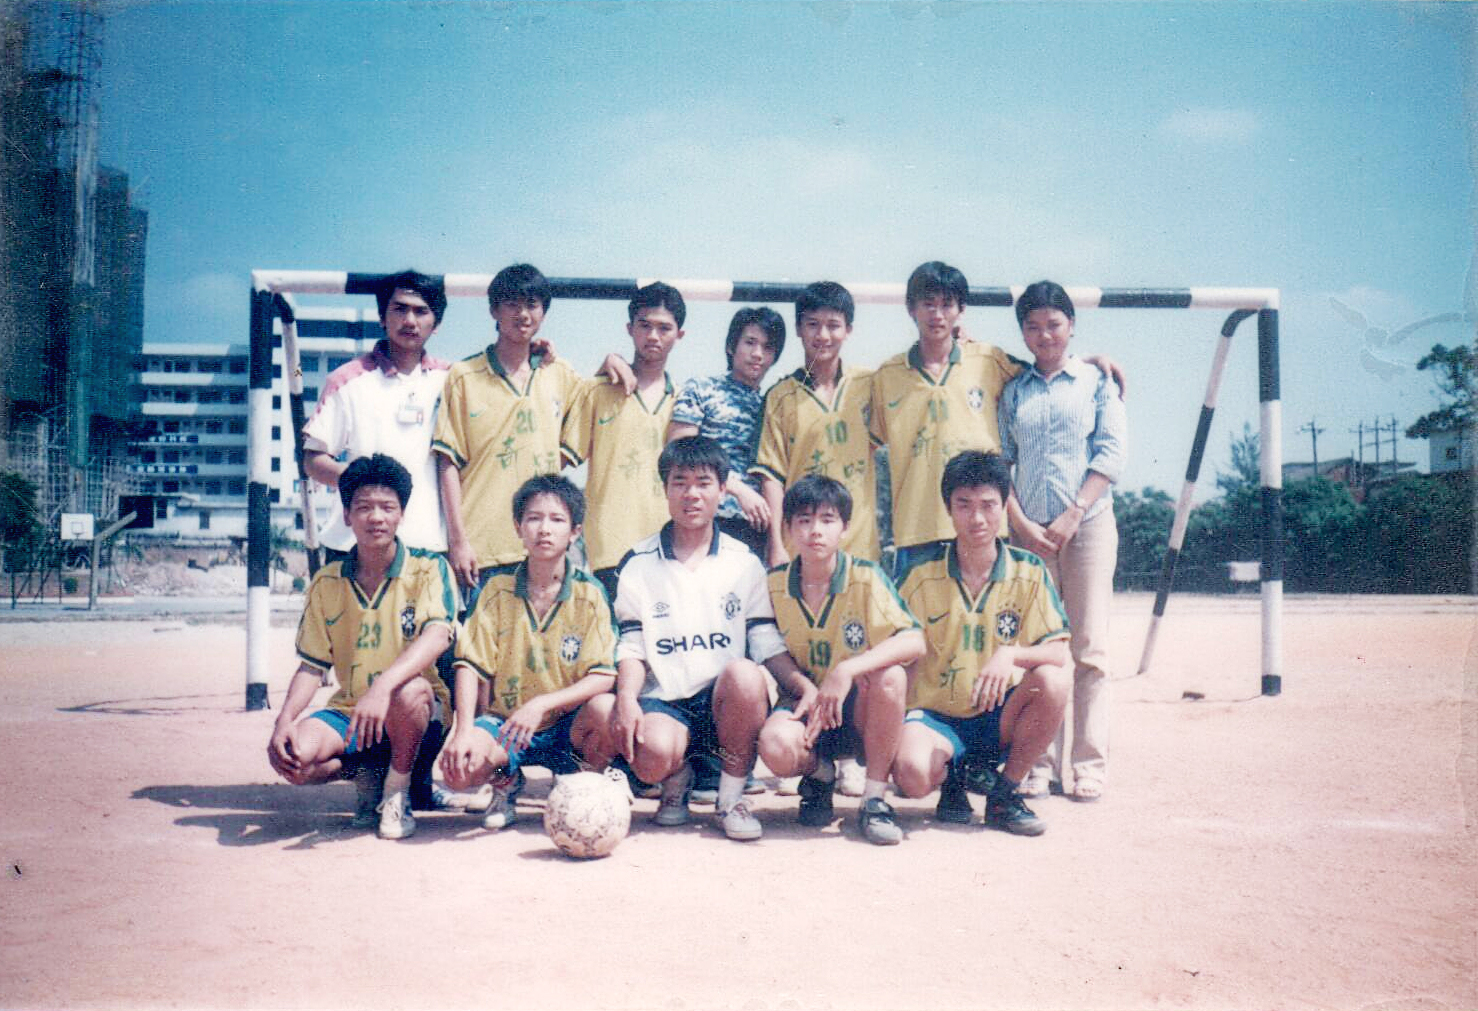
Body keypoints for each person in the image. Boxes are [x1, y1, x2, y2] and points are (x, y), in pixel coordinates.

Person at [582, 436, 812, 841]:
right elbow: (632, 647)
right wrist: (628, 698)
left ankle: (730, 800)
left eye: (703, 483)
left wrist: (801, 686)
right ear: (665, 489)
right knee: (650, 757)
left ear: (723, 490)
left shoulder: (744, 562)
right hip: (665, 702)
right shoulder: (637, 563)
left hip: (724, 704)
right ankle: (677, 777)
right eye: (680, 482)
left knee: (745, 674)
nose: (691, 494)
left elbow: (765, 643)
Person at [870, 262, 1124, 578]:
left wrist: (1087, 362)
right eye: (928, 304)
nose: (937, 314)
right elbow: (866, 443)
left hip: (984, 529)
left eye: (947, 304)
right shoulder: (886, 376)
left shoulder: (989, 360)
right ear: (911, 308)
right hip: (916, 532)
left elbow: (1046, 369)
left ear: (961, 310)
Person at [266, 454, 456, 840]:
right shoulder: (326, 581)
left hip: (416, 711)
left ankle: (395, 792)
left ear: (402, 514)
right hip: (351, 712)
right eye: (364, 507)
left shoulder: (428, 568)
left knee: (410, 692)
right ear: (347, 516)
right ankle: (364, 772)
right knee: (295, 759)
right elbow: (312, 665)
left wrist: (382, 687)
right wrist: (284, 720)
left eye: (387, 507)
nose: (376, 517)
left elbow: (438, 635)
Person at [892, 450, 1071, 836]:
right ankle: (953, 779)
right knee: (911, 775)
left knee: (1053, 680)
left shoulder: (1028, 570)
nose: (977, 518)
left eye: (988, 505)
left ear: (1004, 507)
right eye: (964, 505)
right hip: (936, 716)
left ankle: (1004, 795)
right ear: (948, 509)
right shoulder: (920, 575)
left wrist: (1011, 654)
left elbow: (1057, 650)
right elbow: (887, 644)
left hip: (998, 716)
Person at [998, 281, 1127, 802]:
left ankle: (1089, 764)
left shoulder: (1097, 382)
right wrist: (1023, 526)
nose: (1044, 335)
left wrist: (1074, 513)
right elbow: (1002, 463)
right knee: (1039, 652)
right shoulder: (1014, 391)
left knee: (1089, 648)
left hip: (1087, 525)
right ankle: (1038, 763)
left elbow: (1111, 453)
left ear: (1071, 326)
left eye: (1053, 324)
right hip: (1030, 533)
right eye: (1032, 326)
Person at [438, 474, 618, 830]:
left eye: (557, 519)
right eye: (534, 518)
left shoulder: (590, 593)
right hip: (508, 723)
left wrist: (540, 705)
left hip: (566, 724)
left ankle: (578, 780)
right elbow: (469, 665)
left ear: (575, 532)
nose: (544, 529)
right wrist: (463, 730)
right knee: (459, 772)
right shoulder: (496, 589)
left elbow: (603, 675)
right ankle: (506, 782)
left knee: (606, 709)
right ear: (518, 527)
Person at [756, 475, 923, 845]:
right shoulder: (774, 584)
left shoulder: (864, 577)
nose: (815, 530)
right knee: (775, 746)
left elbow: (913, 639)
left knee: (891, 677)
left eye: (827, 519)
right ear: (788, 528)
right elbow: (768, 650)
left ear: (845, 527)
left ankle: (874, 800)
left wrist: (847, 670)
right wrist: (806, 687)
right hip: (805, 706)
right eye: (804, 520)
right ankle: (820, 775)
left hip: (857, 707)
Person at [434, 263, 583, 595]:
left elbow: (589, 416)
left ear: (543, 312)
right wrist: (458, 541)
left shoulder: (560, 374)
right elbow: (447, 462)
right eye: (512, 304)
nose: (523, 314)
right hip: (482, 549)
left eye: (532, 304)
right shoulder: (464, 376)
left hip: (543, 547)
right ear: (494, 310)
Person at [302, 269, 451, 557]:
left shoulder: (452, 379)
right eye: (400, 309)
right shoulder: (346, 380)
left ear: (437, 323)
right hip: (352, 544)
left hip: (427, 543)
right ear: (382, 317)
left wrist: (537, 355)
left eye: (421, 311)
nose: (410, 320)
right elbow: (313, 460)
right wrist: (366, 485)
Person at [560, 282, 685, 601]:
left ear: (679, 335)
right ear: (630, 329)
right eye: (644, 325)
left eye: (664, 328)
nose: (653, 336)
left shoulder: (685, 403)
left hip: (667, 546)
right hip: (609, 547)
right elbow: (559, 460)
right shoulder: (598, 391)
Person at [753, 281, 880, 567]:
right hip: (800, 549)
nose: (822, 335)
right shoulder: (780, 396)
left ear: (848, 330)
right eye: (812, 324)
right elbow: (771, 478)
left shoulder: (870, 384)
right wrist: (776, 546)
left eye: (833, 325)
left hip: (860, 549)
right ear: (798, 328)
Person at [667, 306, 786, 560]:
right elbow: (678, 453)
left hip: (756, 529)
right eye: (750, 343)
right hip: (706, 520)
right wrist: (739, 490)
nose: (757, 354)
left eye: (767, 347)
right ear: (732, 346)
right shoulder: (701, 389)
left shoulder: (773, 405)